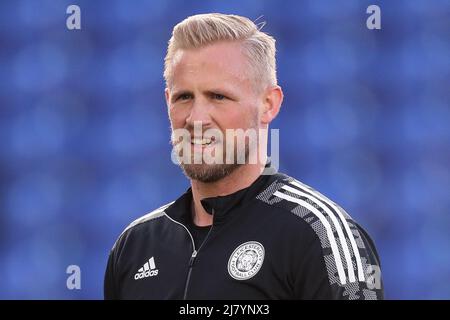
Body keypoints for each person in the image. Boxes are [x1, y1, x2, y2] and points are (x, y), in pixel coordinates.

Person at [104, 13, 384, 300]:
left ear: (268, 104)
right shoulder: (135, 246)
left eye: (218, 96)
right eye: (184, 97)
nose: (196, 118)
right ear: (167, 102)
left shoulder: (320, 235)